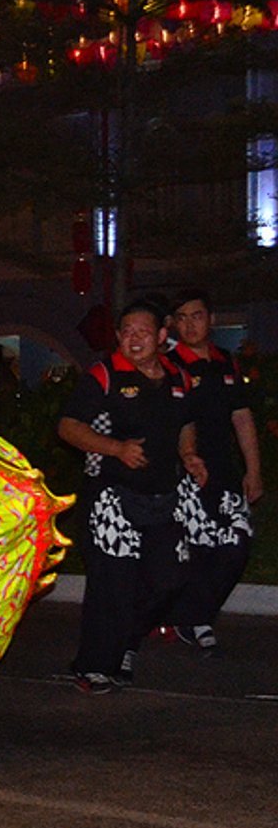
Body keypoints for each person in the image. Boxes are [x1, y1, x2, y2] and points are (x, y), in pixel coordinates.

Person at [58, 299, 204, 693]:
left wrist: (189, 454)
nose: (133, 339)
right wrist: (116, 448)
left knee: (168, 580)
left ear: (161, 336)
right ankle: (92, 666)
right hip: (111, 496)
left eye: (142, 331)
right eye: (126, 331)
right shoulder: (104, 375)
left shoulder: (179, 377)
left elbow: (185, 422)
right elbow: (69, 427)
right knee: (112, 584)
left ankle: (126, 642)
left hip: (163, 495)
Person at [163, 289, 263, 652]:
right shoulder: (170, 365)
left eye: (197, 316)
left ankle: (191, 615)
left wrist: (253, 471)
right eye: (182, 317)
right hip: (186, 471)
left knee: (237, 543)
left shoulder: (226, 362)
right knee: (201, 547)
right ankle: (195, 619)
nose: (190, 324)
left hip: (224, 470)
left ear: (212, 319)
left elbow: (242, 418)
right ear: (173, 324)